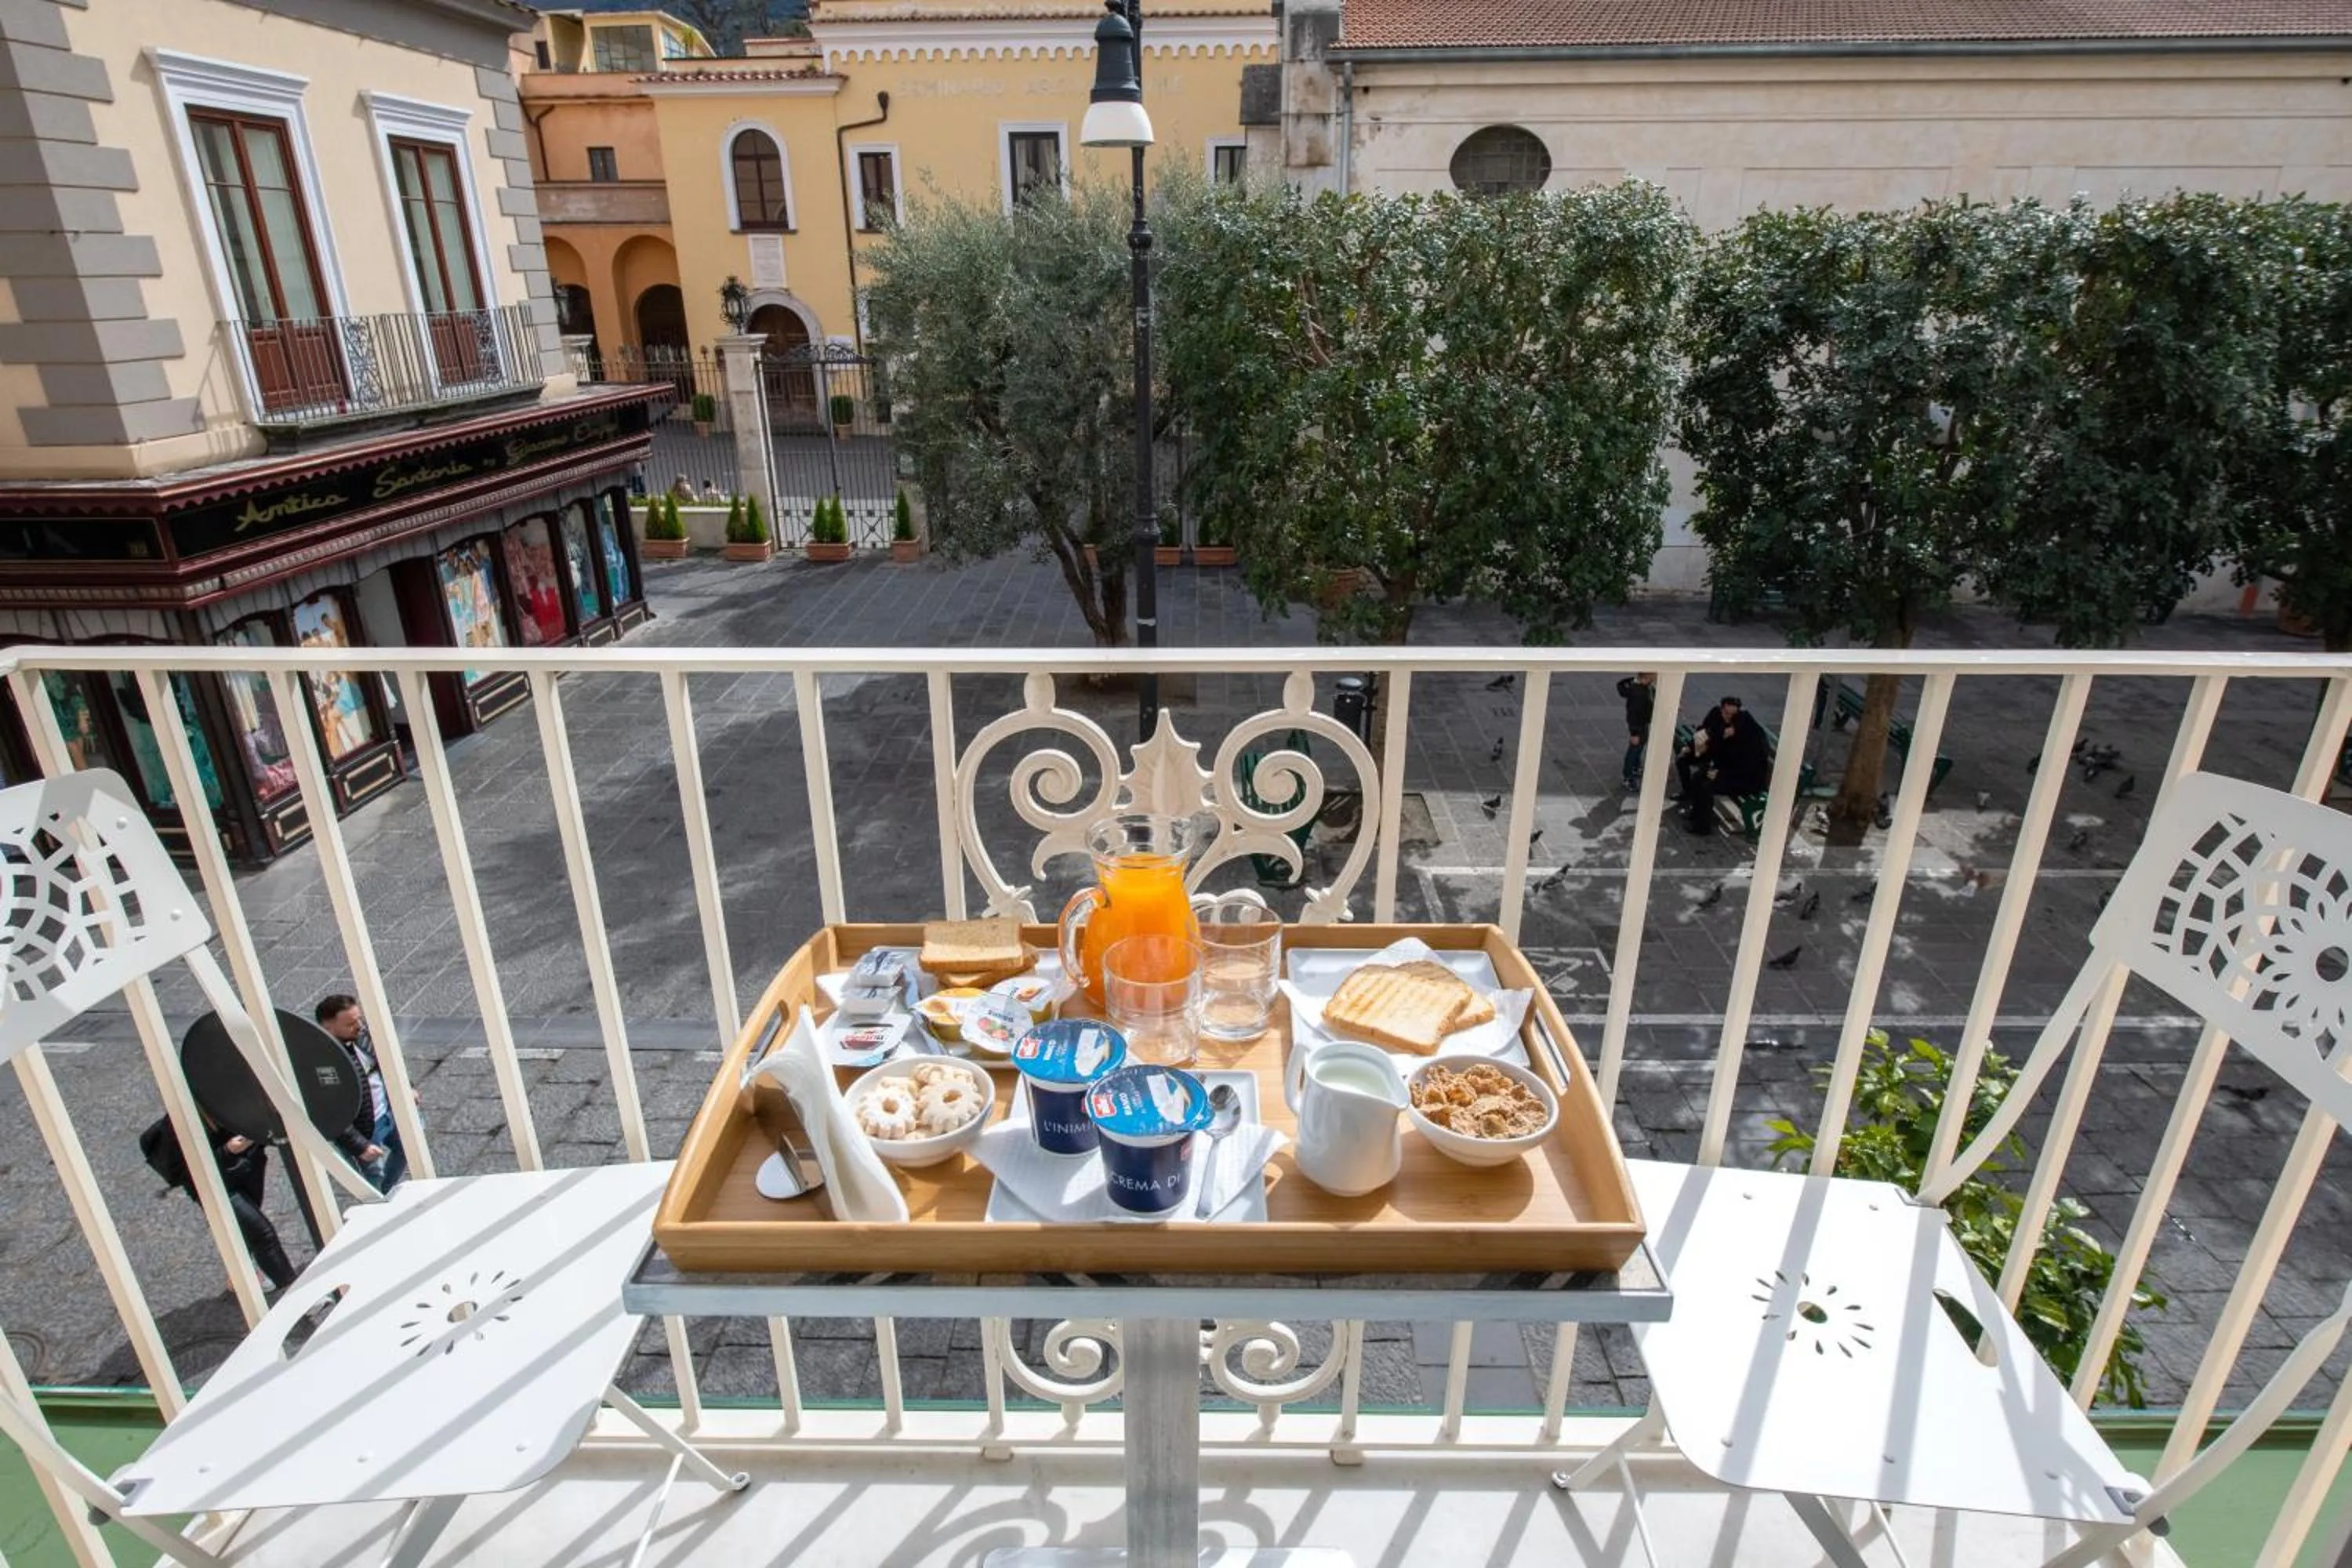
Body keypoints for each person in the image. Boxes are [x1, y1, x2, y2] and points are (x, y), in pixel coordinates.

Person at [140, 1110, 302, 1293]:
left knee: (243, 1231)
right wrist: (228, 1151)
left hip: (248, 1171)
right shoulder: (177, 1128)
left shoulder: (231, 1101)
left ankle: (240, 1276)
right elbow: (191, 1174)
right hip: (214, 1189)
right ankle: (302, 1297)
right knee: (262, 1234)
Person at [317, 993, 408, 1191]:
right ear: (328, 1027)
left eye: (359, 1018)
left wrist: (407, 1087)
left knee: (407, 1148)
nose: (359, 1026)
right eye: (350, 1023)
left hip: (387, 1114)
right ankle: (379, 1203)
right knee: (375, 1174)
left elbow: (387, 1062)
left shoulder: (362, 1036)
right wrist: (359, 1146)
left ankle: (386, 1191)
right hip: (364, 1128)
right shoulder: (324, 1061)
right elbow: (330, 1112)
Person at [1674, 694, 1773, 835]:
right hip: (1731, 770)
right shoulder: (1724, 721)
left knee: (1706, 785)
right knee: (1698, 777)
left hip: (1746, 778)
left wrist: (1718, 771)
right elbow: (1710, 736)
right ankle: (1696, 815)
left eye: (1733, 715)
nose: (1729, 718)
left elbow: (1743, 762)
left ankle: (1702, 827)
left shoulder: (1746, 731)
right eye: (1726, 714)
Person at [1617, 673, 1657, 791]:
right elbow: (1634, 715)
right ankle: (1628, 777)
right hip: (1638, 725)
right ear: (1645, 679)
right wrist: (1634, 734)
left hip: (1642, 723)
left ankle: (1635, 767)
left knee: (1639, 746)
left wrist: (1635, 679)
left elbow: (1620, 685)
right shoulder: (1638, 694)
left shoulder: (1636, 687)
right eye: (1653, 678)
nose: (1654, 680)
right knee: (1634, 749)